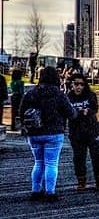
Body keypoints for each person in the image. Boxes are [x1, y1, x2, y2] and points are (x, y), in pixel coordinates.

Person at [20, 65, 75, 201]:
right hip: (54, 133)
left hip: (34, 133)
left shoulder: (31, 93)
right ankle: (50, 192)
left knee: (38, 162)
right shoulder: (59, 94)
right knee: (51, 163)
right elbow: (71, 113)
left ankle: (36, 190)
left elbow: (22, 111)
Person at [67, 72, 99, 191]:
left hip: (92, 130)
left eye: (81, 84)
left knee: (97, 157)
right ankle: (81, 181)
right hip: (76, 132)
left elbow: (94, 109)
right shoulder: (68, 97)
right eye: (76, 84)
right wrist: (80, 112)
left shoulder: (90, 95)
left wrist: (84, 112)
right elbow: (67, 113)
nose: (79, 87)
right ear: (71, 84)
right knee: (79, 158)